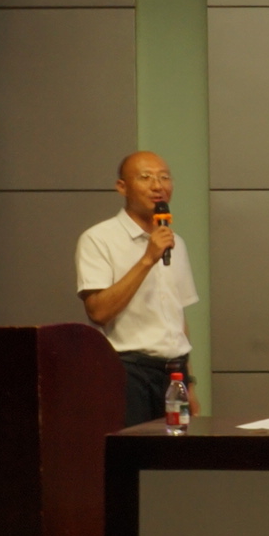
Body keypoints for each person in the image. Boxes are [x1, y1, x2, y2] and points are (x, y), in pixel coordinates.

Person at [77, 152, 200, 426]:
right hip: (129, 374)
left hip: (174, 375)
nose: (158, 186)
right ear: (122, 187)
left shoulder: (176, 242)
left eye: (164, 177)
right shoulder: (98, 239)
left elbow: (177, 318)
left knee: (177, 449)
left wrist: (189, 383)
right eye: (146, 178)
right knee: (133, 448)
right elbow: (98, 312)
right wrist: (147, 259)